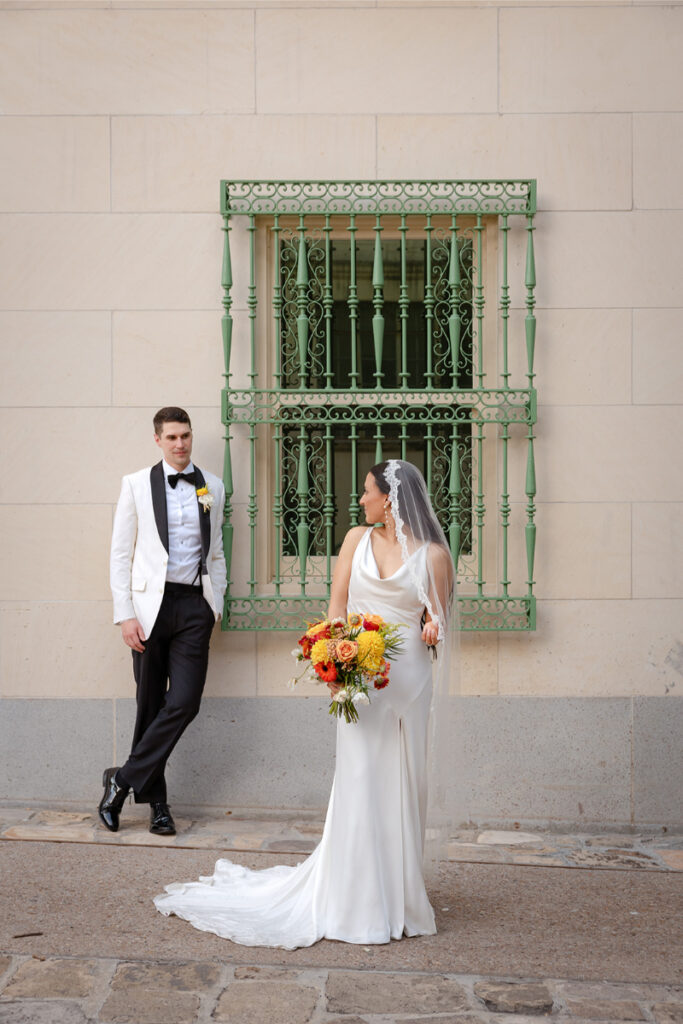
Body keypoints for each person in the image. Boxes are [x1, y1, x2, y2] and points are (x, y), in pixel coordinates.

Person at [154, 459, 456, 946]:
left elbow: (436, 621)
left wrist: (432, 625)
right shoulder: (355, 540)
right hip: (359, 675)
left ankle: (398, 895)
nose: (361, 500)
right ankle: (354, 898)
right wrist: (334, 664)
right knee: (359, 779)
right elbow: (338, 603)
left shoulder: (434, 556)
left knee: (405, 781)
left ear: (391, 499)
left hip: (409, 682)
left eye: (367, 492)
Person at [98, 407, 226, 836]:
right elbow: (121, 554)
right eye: (171, 437)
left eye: (185, 435)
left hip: (194, 608)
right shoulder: (135, 484)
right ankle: (159, 807)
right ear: (158, 439)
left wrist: (215, 605)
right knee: (150, 707)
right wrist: (125, 616)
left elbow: (217, 550)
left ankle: (120, 780)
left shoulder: (213, 486)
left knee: (185, 702)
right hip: (149, 612)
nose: (180, 444)